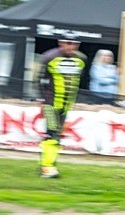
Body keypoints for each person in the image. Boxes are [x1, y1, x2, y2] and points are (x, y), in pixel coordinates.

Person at [35, 34, 86, 178]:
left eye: (75, 44)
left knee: (57, 136)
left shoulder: (81, 59)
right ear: (61, 43)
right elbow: (39, 79)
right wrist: (41, 99)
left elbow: (79, 79)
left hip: (67, 103)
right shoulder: (49, 57)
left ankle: (47, 163)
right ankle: (47, 167)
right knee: (51, 132)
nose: (71, 47)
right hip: (51, 102)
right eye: (68, 43)